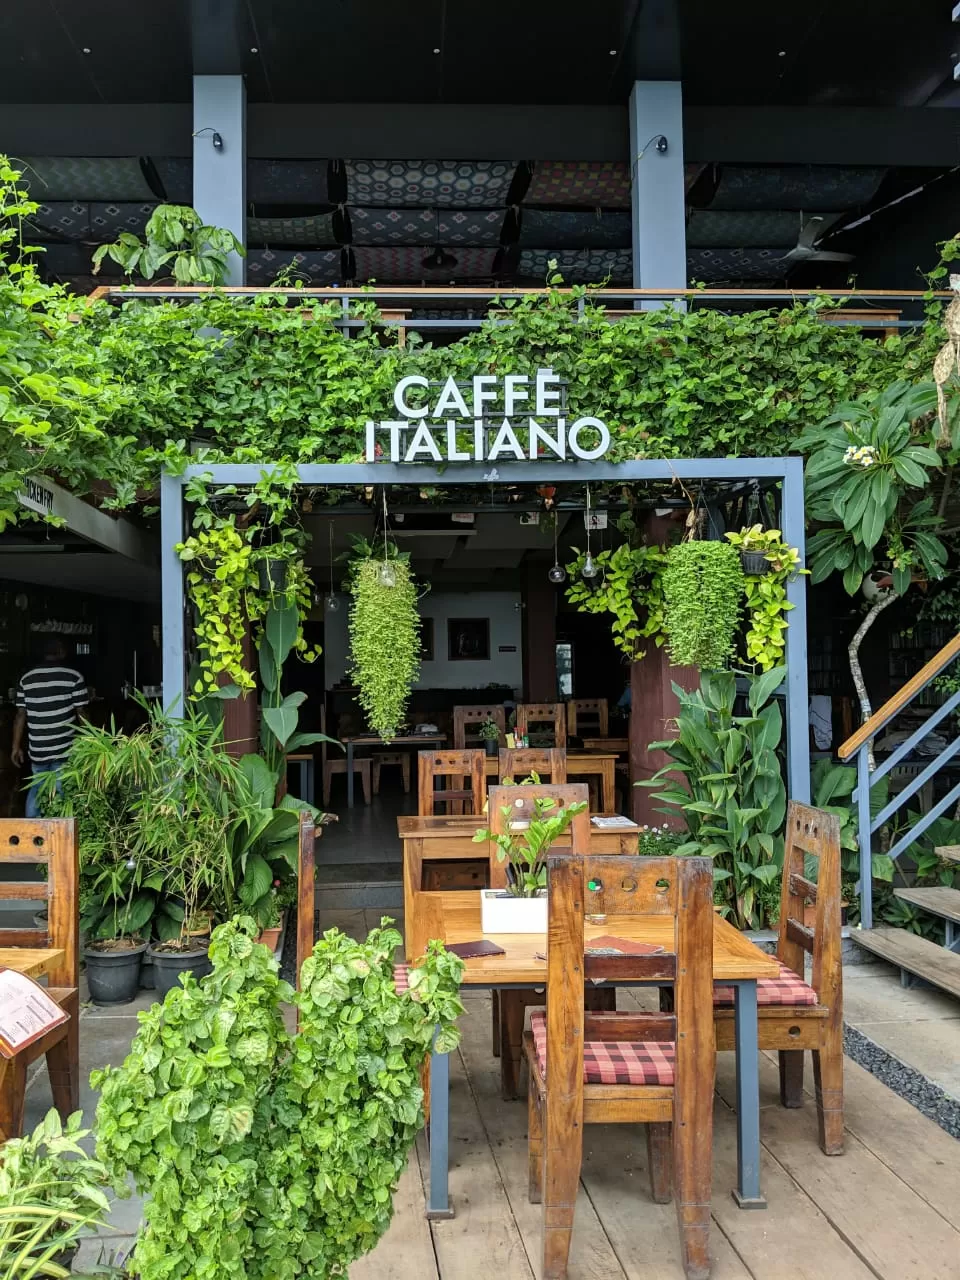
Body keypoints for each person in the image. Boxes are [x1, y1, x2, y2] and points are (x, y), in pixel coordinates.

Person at [11, 638, 88, 818]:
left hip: (38, 749)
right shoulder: (73, 676)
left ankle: (31, 835)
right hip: (65, 749)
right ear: (60, 651)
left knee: (37, 789)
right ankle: (61, 839)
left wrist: (15, 746)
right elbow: (82, 713)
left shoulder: (26, 679)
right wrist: (91, 741)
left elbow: (20, 715)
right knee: (63, 793)